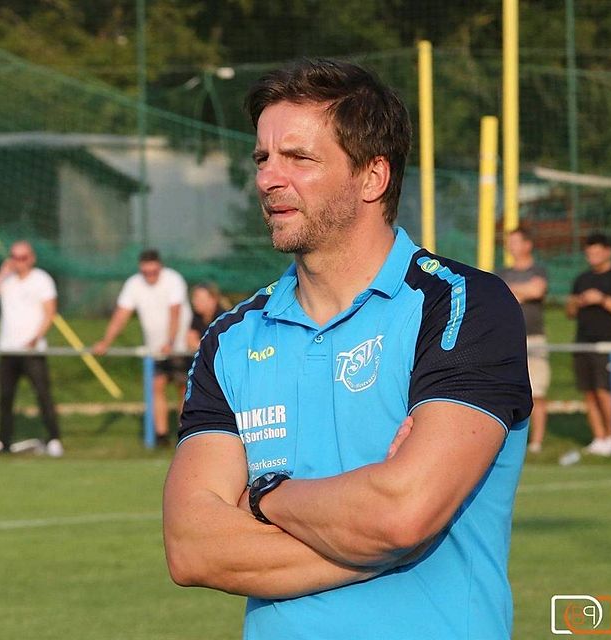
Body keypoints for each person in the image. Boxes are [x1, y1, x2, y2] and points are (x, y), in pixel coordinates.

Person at [163, 59, 532, 639]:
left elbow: (402, 512)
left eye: (298, 158)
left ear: (372, 176)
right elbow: (191, 548)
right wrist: (381, 536)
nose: (268, 178)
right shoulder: (231, 339)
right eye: (262, 158)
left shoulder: (463, 305)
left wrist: (263, 497)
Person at [92, 250, 191, 445]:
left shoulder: (173, 280)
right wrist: (106, 341)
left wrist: (170, 342)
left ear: (160, 267)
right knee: (157, 386)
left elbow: (175, 312)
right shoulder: (134, 284)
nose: (150, 276)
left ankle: (185, 434)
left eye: (153, 272)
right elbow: (121, 314)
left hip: (178, 346)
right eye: (146, 273)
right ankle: (161, 436)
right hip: (155, 349)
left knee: (183, 389)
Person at [0, 241, 63, 458]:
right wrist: (2, 274)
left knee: (43, 394)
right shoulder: (7, 280)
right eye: (15, 257)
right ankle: (3, 441)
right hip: (8, 349)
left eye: (23, 257)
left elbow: (50, 312)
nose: (19, 262)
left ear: (32, 258)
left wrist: (36, 338)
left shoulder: (42, 280)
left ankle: (54, 439)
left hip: (32, 351)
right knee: (5, 397)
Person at [566, 233, 611, 457]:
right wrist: (578, 302)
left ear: (607, 251)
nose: (592, 257)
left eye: (597, 252)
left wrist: (602, 299)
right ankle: (599, 437)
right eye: (589, 253)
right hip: (582, 342)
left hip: (607, 343)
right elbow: (569, 312)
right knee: (588, 392)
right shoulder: (582, 279)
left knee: (605, 391)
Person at [498, 227, 550, 454]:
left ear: (528, 244)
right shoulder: (501, 272)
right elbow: (498, 294)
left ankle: (536, 442)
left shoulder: (538, 270)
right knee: (504, 390)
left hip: (533, 338)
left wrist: (513, 291)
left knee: (537, 390)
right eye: (509, 242)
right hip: (506, 339)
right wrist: (521, 291)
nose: (510, 246)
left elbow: (537, 290)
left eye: (516, 241)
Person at [186, 282, 228, 351]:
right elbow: (191, 339)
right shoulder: (196, 318)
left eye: (201, 299)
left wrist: (198, 345)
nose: (195, 302)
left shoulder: (223, 320)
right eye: (195, 299)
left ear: (213, 300)